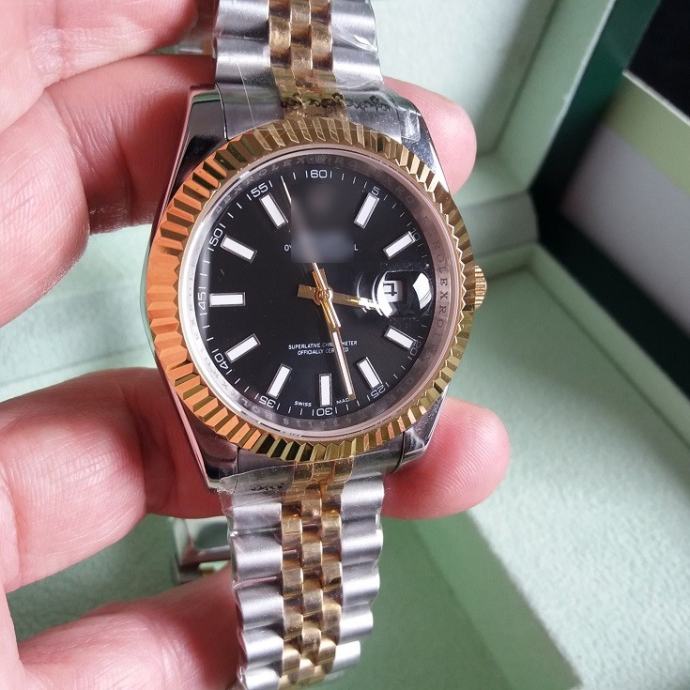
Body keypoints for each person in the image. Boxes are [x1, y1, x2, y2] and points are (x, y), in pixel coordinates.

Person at [0, 3, 510, 688]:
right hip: (261, 420)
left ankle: (307, 649)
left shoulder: (399, 138)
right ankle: (298, 648)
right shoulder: (232, 128)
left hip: (338, 413)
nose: (323, 295)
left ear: (461, 286)